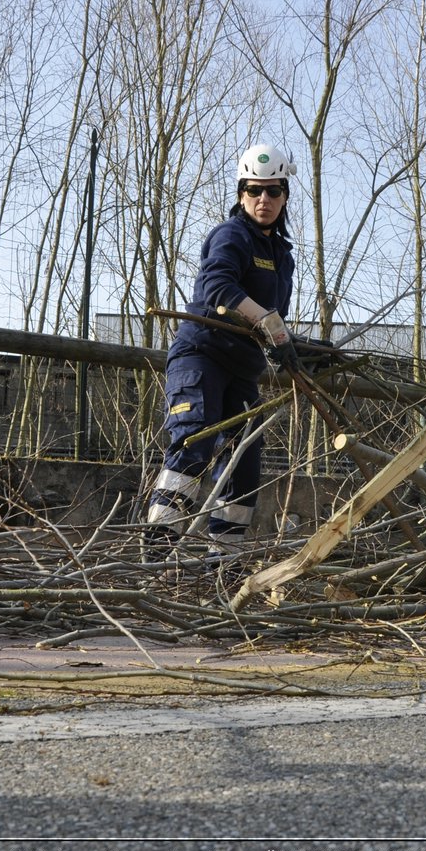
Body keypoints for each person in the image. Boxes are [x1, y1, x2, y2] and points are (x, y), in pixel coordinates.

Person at [145, 144, 303, 554]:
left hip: (243, 368)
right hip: (203, 356)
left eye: (273, 191)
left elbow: (274, 319)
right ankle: (157, 550)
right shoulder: (231, 235)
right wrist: (270, 324)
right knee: (195, 442)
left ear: (285, 195)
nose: (263, 200)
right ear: (240, 194)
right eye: (254, 190)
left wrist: (288, 342)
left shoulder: (282, 255)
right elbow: (219, 288)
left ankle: (223, 566)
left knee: (245, 462)